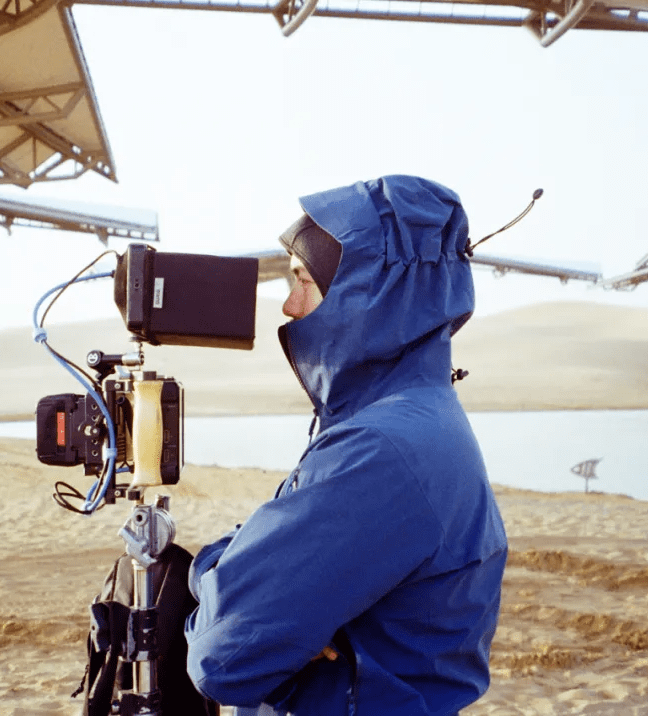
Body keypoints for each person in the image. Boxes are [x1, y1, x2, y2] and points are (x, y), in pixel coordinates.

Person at [184, 175, 508, 715]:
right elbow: (258, 572)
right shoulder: (413, 420)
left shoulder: (381, 449)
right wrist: (236, 579)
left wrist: (217, 583)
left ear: (367, 296)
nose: (288, 306)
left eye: (303, 280)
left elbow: (223, 658)